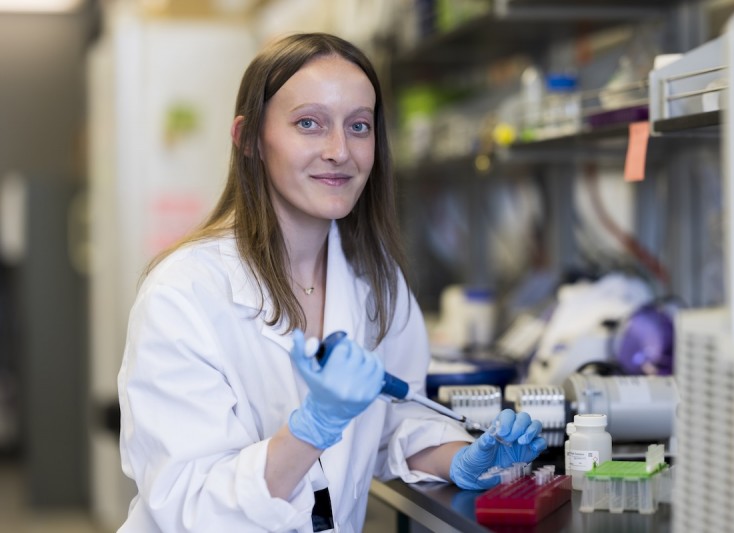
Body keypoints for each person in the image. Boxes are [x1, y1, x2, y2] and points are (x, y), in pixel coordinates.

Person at [117, 32, 547, 532]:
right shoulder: (184, 294)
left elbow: (392, 420)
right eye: (309, 124)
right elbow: (191, 507)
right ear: (249, 138)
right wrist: (312, 429)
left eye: (359, 126)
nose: (340, 151)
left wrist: (464, 458)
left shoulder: (377, 282)